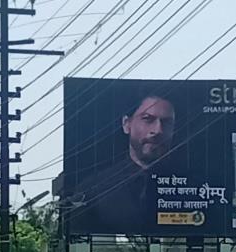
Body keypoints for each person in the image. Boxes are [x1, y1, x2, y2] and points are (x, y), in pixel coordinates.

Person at [72, 90, 181, 233]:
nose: (158, 130)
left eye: (166, 122)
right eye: (148, 119)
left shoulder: (197, 187)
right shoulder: (92, 190)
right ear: (126, 124)